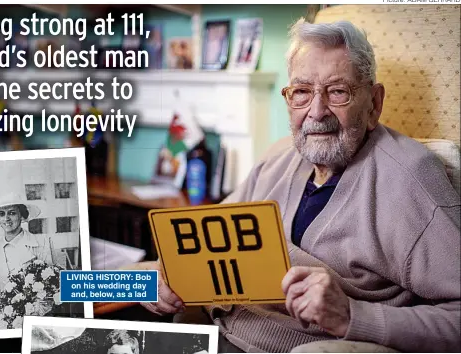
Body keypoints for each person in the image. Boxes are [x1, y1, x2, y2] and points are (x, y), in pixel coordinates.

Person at [135, 18, 461, 353]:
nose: (317, 112)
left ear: (374, 104)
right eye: (302, 92)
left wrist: (354, 316)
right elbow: (200, 247)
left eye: (338, 92)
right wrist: (157, 279)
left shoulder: (411, 180)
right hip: (214, 332)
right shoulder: (278, 156)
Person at [0, 193, 57, 291]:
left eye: (12, 213)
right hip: (1, 305)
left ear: (22, 216)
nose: (6, 218)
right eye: (2, 214)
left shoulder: (42, 243)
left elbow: (54, 282)